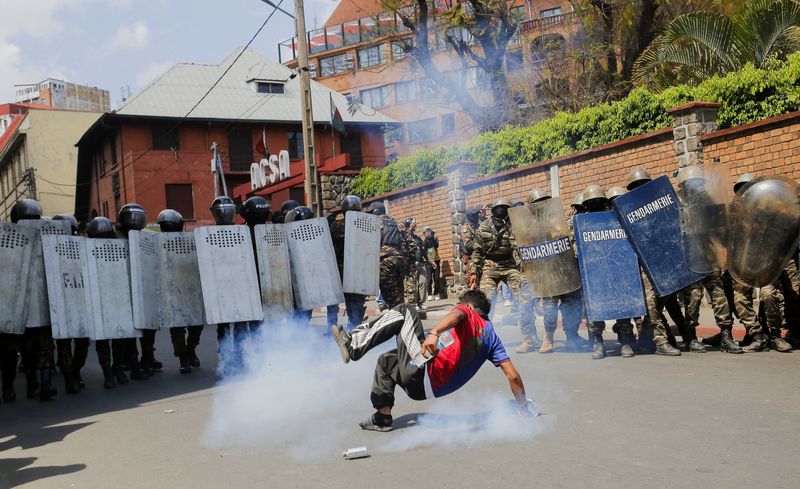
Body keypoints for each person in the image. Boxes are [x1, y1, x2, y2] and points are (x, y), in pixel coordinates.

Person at [331, 290, 540, 431]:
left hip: (422, 374)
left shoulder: (467, 312)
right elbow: (512, 375)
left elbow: (458, 315)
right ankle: (382, 417)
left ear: (469, 305)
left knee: (405, 310)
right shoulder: (493, 338)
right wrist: (523, 406)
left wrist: (436, 332)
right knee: (387, 361)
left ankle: (354, 345)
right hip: (425, 389)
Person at [469, 198, 538, 353]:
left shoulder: (515, 225)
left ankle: (529, 338)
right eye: (498, 209)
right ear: (494, 211)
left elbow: (523, 246)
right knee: (486, 299)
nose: (501, 212)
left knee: (524, 295)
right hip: (490, 266)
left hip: (509, 265)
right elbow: (477, 252)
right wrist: (474, 271)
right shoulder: (483, 228)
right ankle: (484, 340)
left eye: (504, 209)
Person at [527, 188, 588, 354]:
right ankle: (548, 338)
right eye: (537, 203)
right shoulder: (528, 227)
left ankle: (572, 336)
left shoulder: (560, 220)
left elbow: (571, 240)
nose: (542, 206)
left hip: (566, 270)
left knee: (572, 304)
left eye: (544, 202)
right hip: (547, 273)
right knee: (549, 308)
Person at [157, 209, 205, 373]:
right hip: (170, 289)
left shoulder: (191, 240)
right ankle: (183, 357)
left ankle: (190, 350)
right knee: (177, 327)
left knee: (196, 325)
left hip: (190, 287)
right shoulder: (156, 242)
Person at [117, 203, 158, 377]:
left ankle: (148, 358)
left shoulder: (146, 239)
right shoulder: (116, 240)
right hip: (124, 293)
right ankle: (132, 363)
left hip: (143, 289)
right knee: (130, 330)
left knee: (148, 327)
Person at [86, 216, 126, 388]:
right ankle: (108, 372)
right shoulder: (87, 250)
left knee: (118, 337)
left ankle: (115, 369)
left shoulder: (120, 247)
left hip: (117, 297)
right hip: (98, 299)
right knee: (103, 340)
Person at [52, 214, 90, 393]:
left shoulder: (83, 245)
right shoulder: (50, 247)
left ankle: (75, 370)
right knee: (64, 343)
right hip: (60, 302)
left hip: (80, 300)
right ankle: (69, 377)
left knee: (82, 341)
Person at [327, 195, 368, 332]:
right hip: (355, 273)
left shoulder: (336, 226)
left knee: (333, 302)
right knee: (355, 303)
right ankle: (354, 330)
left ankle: (332, 328)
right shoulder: (364, 225)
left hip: (338, 272)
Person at [367, 201, 407, 310]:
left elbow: (372, 244)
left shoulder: (376, 223)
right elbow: (405, 243)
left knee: (391, 300)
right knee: (399, 295)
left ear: (377, 211)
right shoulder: (396, 223)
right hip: (399, 261)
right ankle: (403, 320)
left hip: (385, 263)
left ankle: (398, 321)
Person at [423, 226, 441, 300]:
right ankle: (430, 294)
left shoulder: (433, 239)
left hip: (436, 260)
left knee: (436, 278)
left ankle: (436, 293)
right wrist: (430, 261)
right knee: (429, 278)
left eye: (430, 231)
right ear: (424, 233)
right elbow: (424, 252)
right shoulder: (424, 241)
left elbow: (436, 246)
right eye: (427, 232)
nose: (429, 233)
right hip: (428, 262)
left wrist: (434, 238)